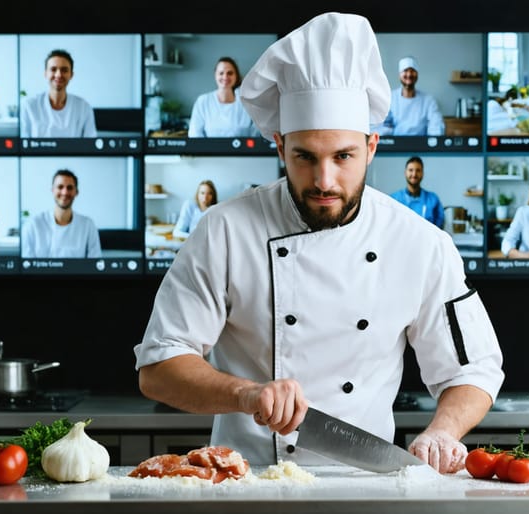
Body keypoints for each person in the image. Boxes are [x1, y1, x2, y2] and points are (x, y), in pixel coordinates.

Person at [134, 12, 503, 475]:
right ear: (278, 145)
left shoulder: (421, 244)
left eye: (343, 157)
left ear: (371, 146)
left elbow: (472, 369)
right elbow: (159, 365)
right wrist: (245, 394)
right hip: (245, 486)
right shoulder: (224, 231)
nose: (324, 181)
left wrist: (443, 430)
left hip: (366, 486)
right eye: (304, 157)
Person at [21, 169, 102, 258]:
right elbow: (27, 266)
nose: (65, 192)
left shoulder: (88, 225)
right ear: (52, 190)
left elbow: (95, 263)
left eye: (70, 188)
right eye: (60, 187)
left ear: (76, 192)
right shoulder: (33, 225)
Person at [20, 49, 97, 138]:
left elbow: (91, 145)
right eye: (53, 69)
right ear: (45, 73)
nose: (58, 75)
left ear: (71, 74)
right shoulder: (29, 105)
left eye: (64, 70)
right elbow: (23, 144)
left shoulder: (84, 107)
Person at [187, 57, 260, 138]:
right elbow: (195, 134)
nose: (225, 77)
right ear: (215, 75)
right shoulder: (203, 101)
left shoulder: (247, 103)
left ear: (236, 76)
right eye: (221, 73)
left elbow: (255, 134)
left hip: (243, 150)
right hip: (208, 150)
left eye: (230, 73)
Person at [376, 56, 445, 136]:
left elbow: (436, 126)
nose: (409, 74)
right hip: (396, 145)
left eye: (412, 71)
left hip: (421, 146)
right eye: (405, 70)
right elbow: (383, 126)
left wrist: (432, 143)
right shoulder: (390, 98)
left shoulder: (429, 101)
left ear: (417, 74)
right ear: (400, 74)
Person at [390, 156, 444, 228]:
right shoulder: (394, 199)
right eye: (411, 170)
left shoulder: (433, 199)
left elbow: (439, 227)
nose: (414, 174)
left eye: (418, 170)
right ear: (405, 173)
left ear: (422, 173)